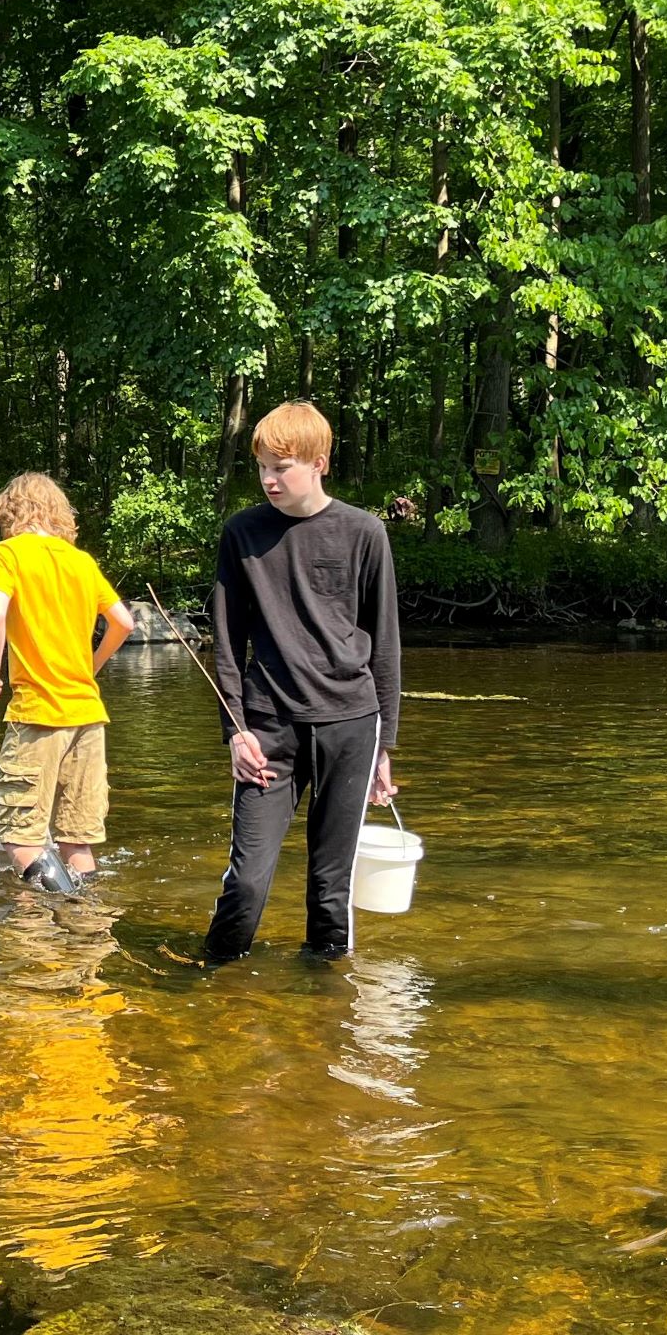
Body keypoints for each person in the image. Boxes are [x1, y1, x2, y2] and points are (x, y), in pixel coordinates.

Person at [205, 401, 400, 962]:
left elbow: (384, 645)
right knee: (246, 883)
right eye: (262, 466)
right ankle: (210, 987)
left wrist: (385, 747)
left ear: (320, 463)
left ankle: (324, 1012)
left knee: (330, 894)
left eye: (281, 467)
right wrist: (237, 732)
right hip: (268, 730)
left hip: (351, 725)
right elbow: (226, 640)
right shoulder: (241, 533)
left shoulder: (365, 533)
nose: (269, 479)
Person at [0, 472, 137, 888]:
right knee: (77, 843)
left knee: (20, 838)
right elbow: (123, 623)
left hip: (38, 713)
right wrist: (91, 666)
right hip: (88, 715)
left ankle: (36, 941)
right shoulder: (81, 561)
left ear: (10, 512)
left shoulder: (6, 553)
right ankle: (87, 929)